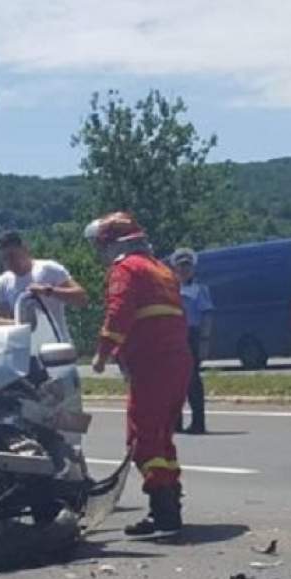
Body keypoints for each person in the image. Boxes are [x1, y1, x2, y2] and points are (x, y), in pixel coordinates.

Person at [84, 212, 192, 536]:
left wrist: (102, 354)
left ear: (111, 244)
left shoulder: (126, 268)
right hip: (178, 362)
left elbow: (119, 312)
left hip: (152, 364)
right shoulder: (162, 269)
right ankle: (168, 507)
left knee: (143, 440)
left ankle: (164, 512)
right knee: (162, 439)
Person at [0, 229, 87, 342]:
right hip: (25, 350)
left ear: (24, 249)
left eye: (12, 256)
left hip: (57, 344)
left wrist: (48, 291)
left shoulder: (49, 269)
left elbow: (81, 298)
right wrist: (21, 324)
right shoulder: (3, 282)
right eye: (5, 259)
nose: (10, 262)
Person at [170, 248, 213, 435]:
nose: (184, 269)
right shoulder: (170, 289)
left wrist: (205, 340)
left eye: (188, 266)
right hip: (172, 336)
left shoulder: (200, 289)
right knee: (172, 380)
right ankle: (175, 421)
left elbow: (207, 315)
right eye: (181, 266)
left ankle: (198, 422)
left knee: (192, 380)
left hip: (191, 335)